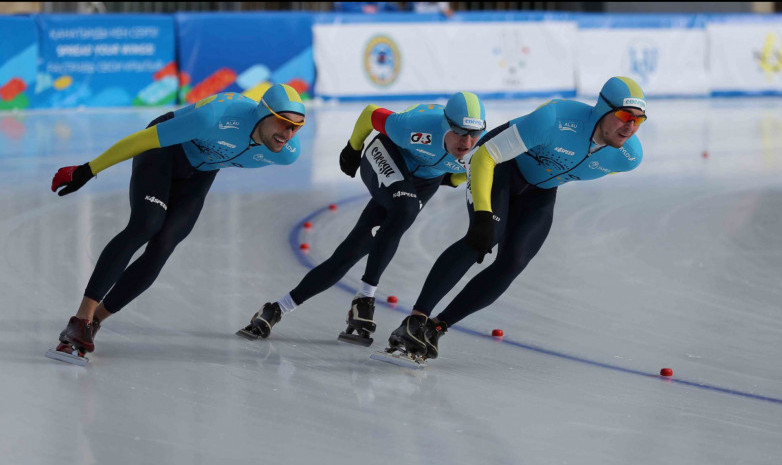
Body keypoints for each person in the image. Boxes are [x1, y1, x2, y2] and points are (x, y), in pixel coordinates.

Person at [387, 76, 646, 362]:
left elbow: (571, 166)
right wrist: (484, 214)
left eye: (639, 120)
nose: (630, 127)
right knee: (483, 238)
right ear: (602, 109)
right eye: (624, 116)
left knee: (514, 261)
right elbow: (484, 156)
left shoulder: (628, 158)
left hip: (541, 190)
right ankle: (414, 321)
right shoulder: (555, 119)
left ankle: (437, 327)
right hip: (501, 165)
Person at [47, 84, 306, 364]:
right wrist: (88, 169)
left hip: (201, 172)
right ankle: (80, 318)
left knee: (164, 245)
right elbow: (143, 140)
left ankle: (94, 322)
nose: (287, 134)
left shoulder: (287, 152)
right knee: (146, 224)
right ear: (262, 113)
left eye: (296, 127)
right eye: (282, 123)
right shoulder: (215, 117)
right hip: (165, 151)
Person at [237, 92, 486, 345]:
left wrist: (449, 177)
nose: (467, 141)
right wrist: (352, 150)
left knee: (353, 250)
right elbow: (369, 113)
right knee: (406, 207)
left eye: (474, 134)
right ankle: (365, 298)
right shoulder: (414, 126)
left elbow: (464, 176)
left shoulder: (480, 148)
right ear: (446, 124)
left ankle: (277, 308)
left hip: (423, 180)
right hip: (389, 153)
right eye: (460, 131)